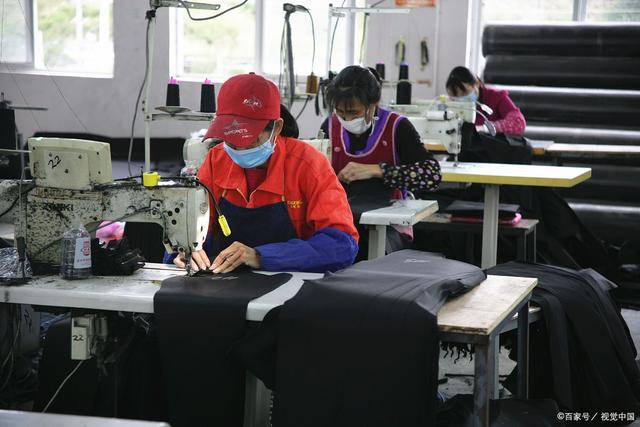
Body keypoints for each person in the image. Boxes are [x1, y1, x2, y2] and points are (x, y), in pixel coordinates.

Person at [171, 73, 359, 273]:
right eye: (231, 140)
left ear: (276, 128)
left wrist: (260, 256)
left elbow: (342, 245)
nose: (240, 149)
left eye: (250, 140)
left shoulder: (309, 164)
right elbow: (190, 230)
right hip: (226, 281)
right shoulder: (216, 161)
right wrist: (184, 251)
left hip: (295, 282)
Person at [320, 65, 441, 257]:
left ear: (374, 103)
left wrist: (379, 170)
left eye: (354, 113)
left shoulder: (397, 127)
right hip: (340, 218)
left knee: (366, 251)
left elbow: (431, 175)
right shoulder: (330, 126)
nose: (346, 119)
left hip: (388, 225)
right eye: (341, 112)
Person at [446, 65, 526, 136]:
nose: (461, 99)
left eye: (465, 93)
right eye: (456, 97)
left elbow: (518, 123)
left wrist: (486, 128)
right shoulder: (452, 104)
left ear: (477, 84)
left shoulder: (496, 97)